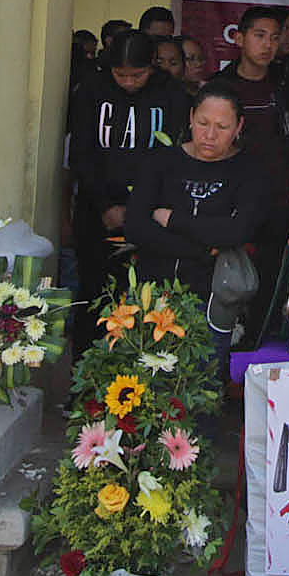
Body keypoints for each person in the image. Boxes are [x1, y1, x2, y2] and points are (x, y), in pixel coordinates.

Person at [64, 30, 191, 350]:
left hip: (152, 212)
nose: (130, 83)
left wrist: (139, 208)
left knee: (147, 296)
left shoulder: (172, 95)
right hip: (98, 211)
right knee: (94, 292)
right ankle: (87, 375)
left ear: (152, 66)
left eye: (138, 75)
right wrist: (106, 204)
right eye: (121, 75)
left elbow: (175, 158)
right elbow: (82, 152)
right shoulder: (91, 91)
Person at [123, 84, 275, 335]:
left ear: (238, 127)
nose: (210, 135)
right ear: (191, 118)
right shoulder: (161, 163)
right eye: (203, 123)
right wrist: (203, 249)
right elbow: (136, 227)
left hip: (216, 299)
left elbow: (237, 230)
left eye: (222, 127)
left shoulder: (250, 171)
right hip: (151, 294)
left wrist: (171, 219)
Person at [221, 6, 289, 315]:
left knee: (271, 285)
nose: (268, 44)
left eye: (274, 37)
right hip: (231, 203)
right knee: (231, 281)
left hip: (277, 202)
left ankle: (259, 345)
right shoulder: (222, 86)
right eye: (259, 36)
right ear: (239, 38)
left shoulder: (285, 86)